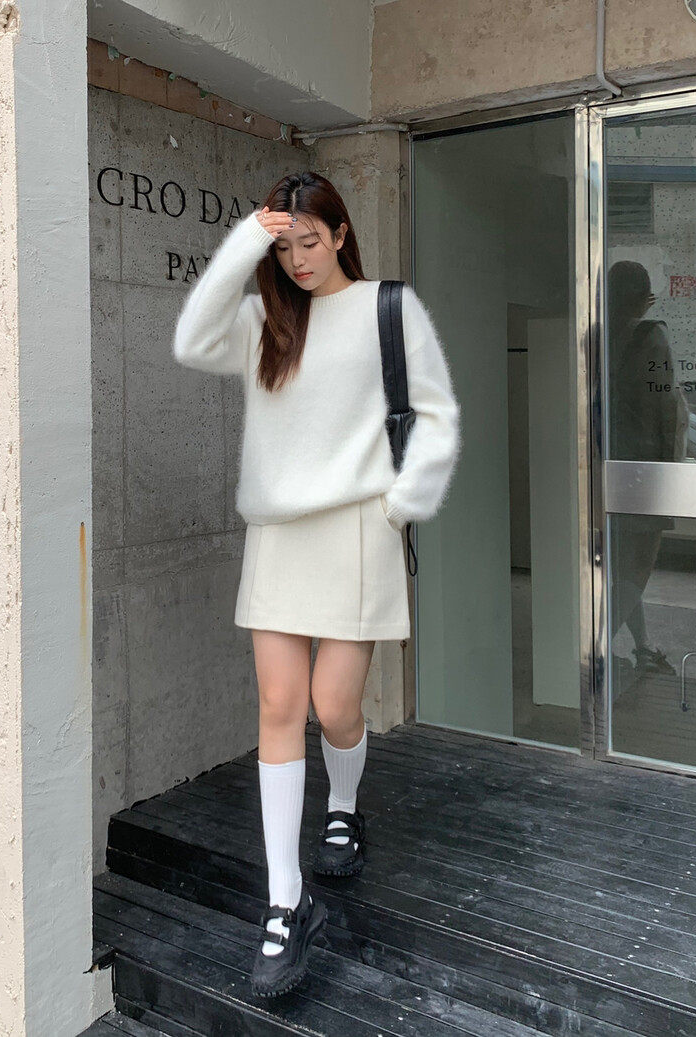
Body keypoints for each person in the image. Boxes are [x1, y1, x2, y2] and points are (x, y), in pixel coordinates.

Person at [171, 170, 461, 999]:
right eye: (284, 246)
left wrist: (400, 505)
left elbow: (436, 414)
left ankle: (343, 805)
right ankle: (285, 901)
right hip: (278, 534)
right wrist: (245, 242)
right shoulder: (264, 322)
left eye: (310, 240)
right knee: (278, 705)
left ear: (339, 234)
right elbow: (190, 339)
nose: (298, 259)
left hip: (357, 532)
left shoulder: (387, 309)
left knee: (334, 706)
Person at [607, 260, 689, 678]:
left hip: (608, 464)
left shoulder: (597, 337)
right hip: (645, 469)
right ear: (645, 297)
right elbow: (665, 403)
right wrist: (671, 472)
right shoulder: (651, 337)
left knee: (621, 568)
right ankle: (595, 647)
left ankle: (642, 645)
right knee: (637, 568)